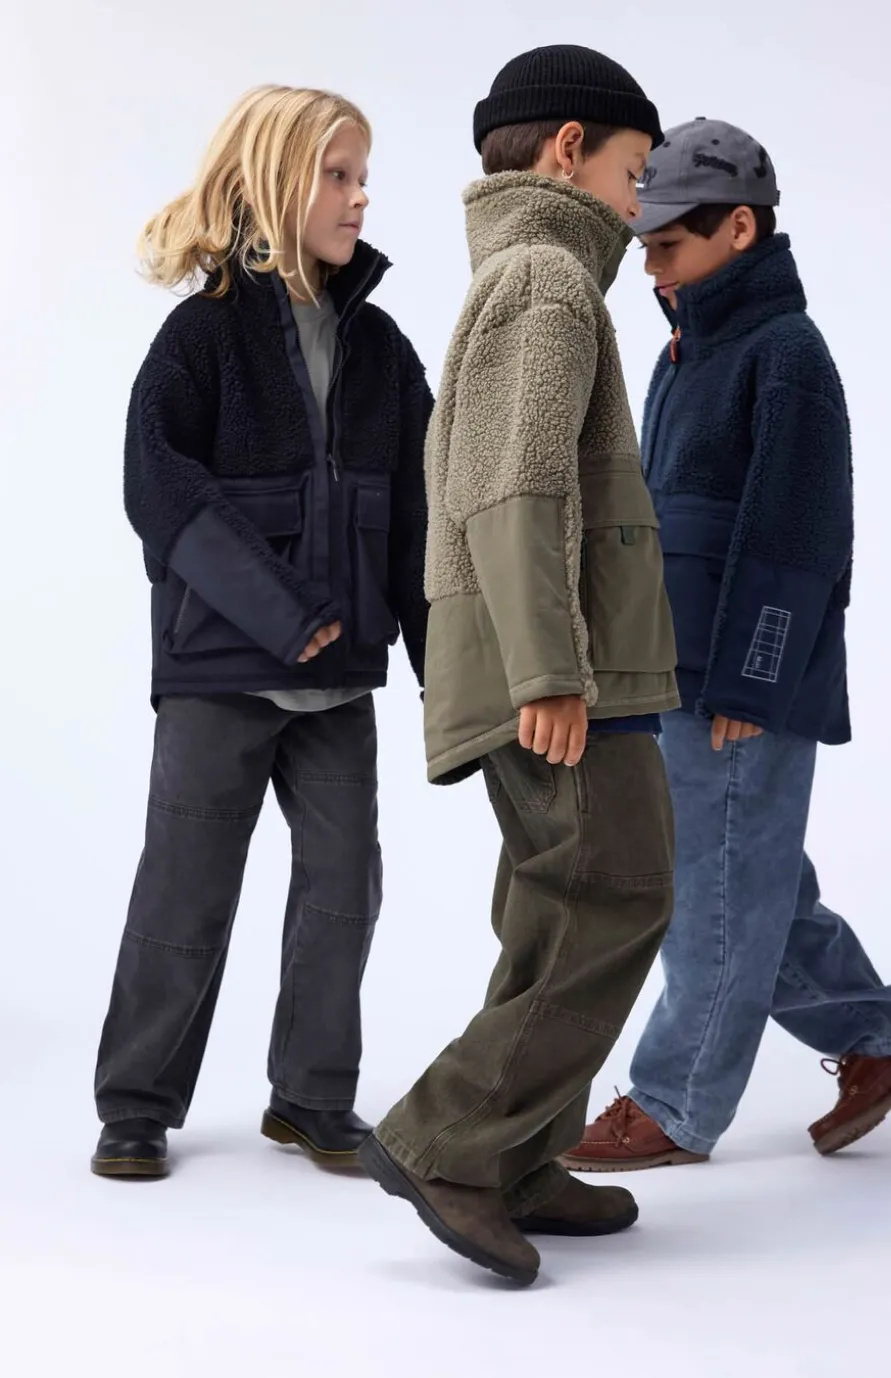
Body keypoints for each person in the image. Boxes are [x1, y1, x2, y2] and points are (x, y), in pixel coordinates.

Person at [564, 119, 891, 1174]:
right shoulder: (686, 352)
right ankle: (882, 1036)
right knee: (745, 879)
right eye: (644, 246)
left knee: (712, 891)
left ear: (740, 228)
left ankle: (675, 1101)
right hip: (677, 672)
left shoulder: (785, 355)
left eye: (668, 246)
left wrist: (753, 681)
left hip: (736, 686)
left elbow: (800, 537)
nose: (650, 268)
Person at [357, 46, 679, 1286]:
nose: (639, 204)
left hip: (568, 658)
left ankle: (519, 1157)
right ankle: (447, 1143)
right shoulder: (544, 278)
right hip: (559, 669)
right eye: (633, 172)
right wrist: (551, 670)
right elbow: (515, 484)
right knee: (616, 891)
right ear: (566, 150)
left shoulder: (532, 277)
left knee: (557, 908)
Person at [91, 85, 431, 1180]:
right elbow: (157, 487)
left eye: (363, 177)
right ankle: (136, 1104)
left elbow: (420, 522)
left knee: (345, 883)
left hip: (340, 682)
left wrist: (447, 672)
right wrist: (284, 614)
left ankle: (312, 1096)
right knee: (185, 888)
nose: (359, 197)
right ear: (275, 182)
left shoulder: (381, 348)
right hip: (219, 670)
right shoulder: (202, 336)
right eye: (337, 175)